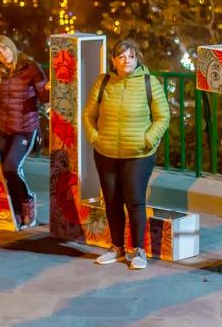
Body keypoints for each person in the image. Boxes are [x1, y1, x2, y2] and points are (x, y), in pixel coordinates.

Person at [83, 38, 170, 270]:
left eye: (131, 56)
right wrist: (94, 137)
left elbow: (163, 117)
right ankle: (117, 248)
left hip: (138, 155)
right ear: (113, 60)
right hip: (106, 152)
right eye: (121, 57)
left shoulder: (149, 82)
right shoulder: (103, 82)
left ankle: (138, 251)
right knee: (111, 201)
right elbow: (88, 114)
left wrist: (148, 139)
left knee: (135, 201)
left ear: (137, 58)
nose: (126, 61)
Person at [0, 35, 49, 228]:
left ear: (11, 47)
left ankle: (28, 201)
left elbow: (44, 95)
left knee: (11, 167)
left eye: (4, 49)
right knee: (6, 172)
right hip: (3, 128)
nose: (3, 54)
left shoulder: (30, 67)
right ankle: (17, 211)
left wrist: (49, 89)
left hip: (25, 129)